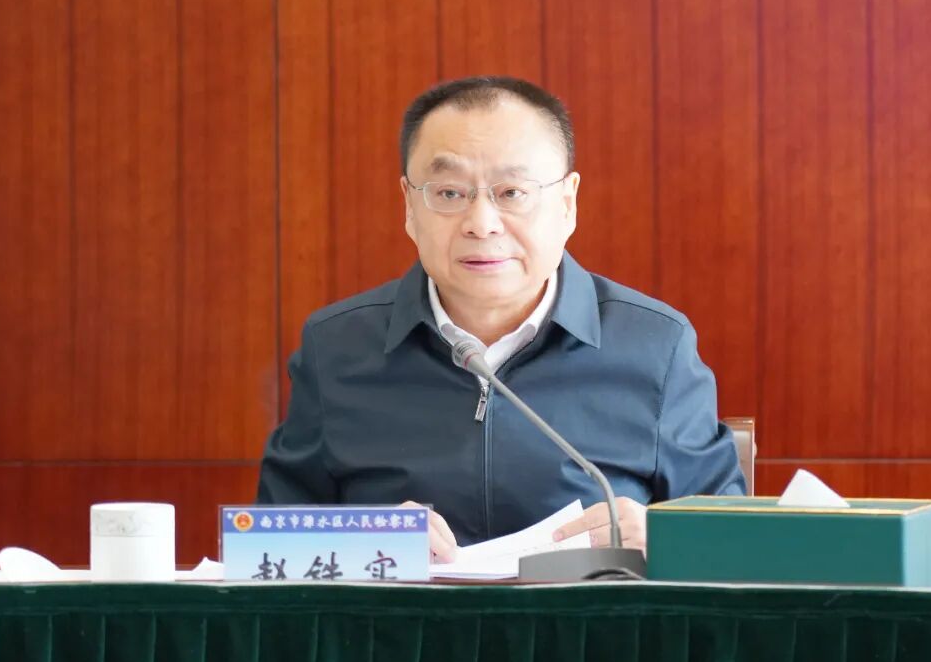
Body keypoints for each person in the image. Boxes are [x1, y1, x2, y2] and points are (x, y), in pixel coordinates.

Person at [257, 75, 745, 562]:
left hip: (592, 614)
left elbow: (738, 548)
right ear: (409, 205)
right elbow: (265, 549)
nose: (482, 223)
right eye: (450, 194)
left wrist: (664, 540)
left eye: (512, 192)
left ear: (567, 202)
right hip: (406, 614)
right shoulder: (336, 348)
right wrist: (356, 541)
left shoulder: (656, 347)